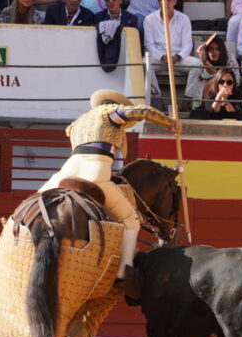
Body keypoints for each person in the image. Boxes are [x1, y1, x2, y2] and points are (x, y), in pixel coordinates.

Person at [38, 89, 180, 284]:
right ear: (114, 104)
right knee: (131, 220)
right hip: (94, 172)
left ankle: (12, 226)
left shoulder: (80, 121)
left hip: (67, 171)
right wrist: (171, 123)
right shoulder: (112, 113)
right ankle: (124, 271)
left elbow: (69, 132)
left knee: (37, 201)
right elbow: (143, 112)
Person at [185, 34, 239, 108]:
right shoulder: (202, 61)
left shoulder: (230, 59)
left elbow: (236, 81)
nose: (214, 52)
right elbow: (204, 84)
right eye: (211, 49)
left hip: (228, 93)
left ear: (222, 50)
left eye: (217, 49)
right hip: (208, 97)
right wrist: (205, 61)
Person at [94, 0, 139, 72]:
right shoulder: (98, 17)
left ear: (121, 0)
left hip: (125, 57)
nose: (110, 1)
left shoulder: (132, 18)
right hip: (105, 56)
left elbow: (136, 42)